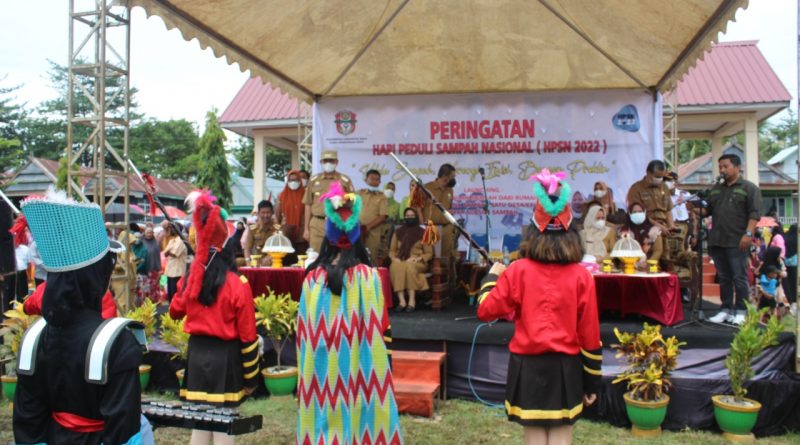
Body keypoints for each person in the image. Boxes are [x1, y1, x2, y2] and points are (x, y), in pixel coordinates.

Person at [476, 170, 600, 445]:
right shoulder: (583, 276)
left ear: (532, 230)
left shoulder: (517, 271)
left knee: (533, 439)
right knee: (561, 438)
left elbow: (485, 310)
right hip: (566, 367)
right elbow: (590, 336)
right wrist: (592, 383)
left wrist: (491, 278)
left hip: (527, 366)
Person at [14, 189, 145, 444]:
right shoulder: (117, 342)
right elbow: (125, 431)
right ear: (96, 277)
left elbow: (28, 422)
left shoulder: (34, 337)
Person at [297, 181, 403, 445]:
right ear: (358, 236)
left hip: (321, 373)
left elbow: (303, 334)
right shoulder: (369, 278)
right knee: (364, 421)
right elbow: (382, 327)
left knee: (322, 424)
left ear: (327, 239)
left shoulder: (312, 279)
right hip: (362, 371)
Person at [170, 190, 260, 445]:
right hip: (226, 359)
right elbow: (248, 336)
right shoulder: (237, 283)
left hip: (197, 356)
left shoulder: (191, 279)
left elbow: (176, 311)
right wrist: (251, 377)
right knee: (223, 428)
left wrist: (189, 282)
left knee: (200, 426)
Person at [703, 154, 762, 325]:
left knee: (739, 277)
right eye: (720, 167)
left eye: (725, 166)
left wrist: (748, 234)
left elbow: (754, 214)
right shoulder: (716, 189)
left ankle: (741, 311)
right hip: (718, 239)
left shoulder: (749, 188)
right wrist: (695, 207)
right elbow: (709, 211)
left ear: (737, 167)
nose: (722, 170)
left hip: (738, 239)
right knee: (723, 277)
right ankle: (725, 309)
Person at [302, 150, 355, 253]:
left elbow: (352, 204)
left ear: (336, 162)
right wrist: (306, 229)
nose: (328, 163)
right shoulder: (313, 180)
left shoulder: (344, 180)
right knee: (315, 256)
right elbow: (308, 204)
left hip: (337, 223)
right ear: (321, 162)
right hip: (317, 224)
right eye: (325, 161)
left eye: (331, 160)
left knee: (337, 256)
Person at [389, 208, 432, 312]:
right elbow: (391, 250)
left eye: (412, 216)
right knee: (395, 266)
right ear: (404, 217)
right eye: (407, 216)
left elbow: (429, 253)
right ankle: (402, 301)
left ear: (416, 217)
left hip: (418, 262)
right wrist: (394, 259)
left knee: (409, 266)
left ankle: (412, 301)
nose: (409, 218)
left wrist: (418, 258)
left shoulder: (423, 232)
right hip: (401, 260)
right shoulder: (398, 232)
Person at [421, 164, 458, 279]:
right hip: (430, 227)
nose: (454, 178)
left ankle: (445, 283)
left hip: (446, 228)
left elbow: (449, 206)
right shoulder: (427, 188)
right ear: (445, 176)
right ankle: (430, 285)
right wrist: (422, 222)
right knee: (431, 257)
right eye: (453, 176)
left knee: (446, 257)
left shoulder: (450, 190)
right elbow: (417, 207)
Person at [626, 160, 675, 234]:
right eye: (657, 177)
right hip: (646, 226)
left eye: (661, 177)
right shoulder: (636, 189)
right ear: (648, 173)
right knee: (656, 234)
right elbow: (638, 215)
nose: (659, 179)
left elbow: (668, 210)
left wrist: (671, 226)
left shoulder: (664, 187)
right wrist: (659, 227)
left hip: (664, 225)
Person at [357, 169, 389, 265]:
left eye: (377, 180)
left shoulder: (382, 196)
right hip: (357, 231)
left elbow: (382, 216)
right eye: (372, 179)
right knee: (356, 257)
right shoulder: (359, 193)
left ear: (379, 182)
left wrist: (367, 228)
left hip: (373, 233)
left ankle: (372, 279)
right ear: (366, 180)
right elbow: (352, 210)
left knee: (371, 258)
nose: (374, 182)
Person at [621, 202, 664, 271]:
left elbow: (658, 250)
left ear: (644, 213)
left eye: (640, 211)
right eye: (634, 212)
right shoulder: (624, 231)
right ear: (629, 214)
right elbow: (621, 251)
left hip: (650, 267)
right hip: (629, 267)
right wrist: (632, 264)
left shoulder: (654, 230)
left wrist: (648, 263)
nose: (637, 214)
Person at [276, 169, 308, 255]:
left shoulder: (306, 195)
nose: (293, 182)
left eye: (296, 180)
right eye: (291, 180)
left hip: (301, 237)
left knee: (301, 261)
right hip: (286, 235)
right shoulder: (281, 196)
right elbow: (277, 216)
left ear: (300, 181)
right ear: (287, 181)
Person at [245, 200, 279, 266]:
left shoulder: (277, 229)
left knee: (269, 260)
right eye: (263, 213)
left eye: (268, 212)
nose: (265, 215)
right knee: (237, 262)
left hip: (272, 261)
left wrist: (270, 257)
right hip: (256, 261)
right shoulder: (253, 229)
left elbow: (280, 249)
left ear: (272, 213)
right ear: (258, 213)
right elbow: (247, 249)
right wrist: (248, 261)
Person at [136, 226, 163, 304]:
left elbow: (158, 256)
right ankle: (143, 304)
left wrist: (159, 269)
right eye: (148, 232)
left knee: (153, 288)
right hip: (143, 269)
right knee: (144, 288)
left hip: (153, 269)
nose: (149, 234)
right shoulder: (141, 242)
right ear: (144, 233)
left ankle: (153, 304)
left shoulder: (156, 243)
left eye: (151, 232)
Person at [163, 224, 187, 302]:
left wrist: (168, 252)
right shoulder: (172, 240)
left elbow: (174, 254)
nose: (170, 230)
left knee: (175, 293)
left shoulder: (181, 240)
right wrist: (169, 252)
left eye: (172, 228)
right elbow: (165, 253)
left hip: (177, 272)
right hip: (170, 271)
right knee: (170, 293)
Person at [783, 224, 797, 315]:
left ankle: (790, 299)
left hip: (785, 263)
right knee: (794, 282)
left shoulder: (784, 237)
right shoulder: (796, 239)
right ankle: (794, 300)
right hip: (794, 263)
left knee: (787, 282)